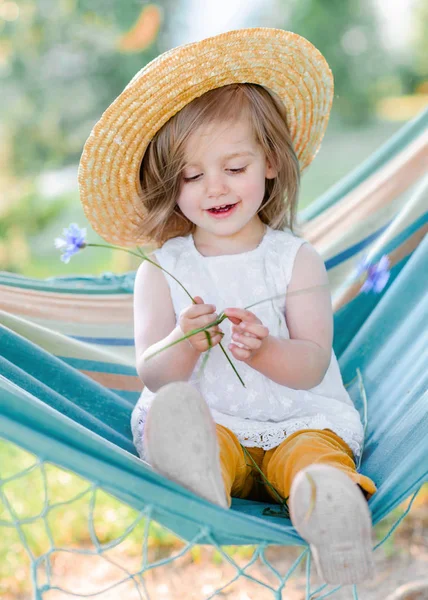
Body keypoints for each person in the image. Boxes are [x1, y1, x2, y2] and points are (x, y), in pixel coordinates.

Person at [78, 28, 377, 586]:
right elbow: (153, 373)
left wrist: (265, 351)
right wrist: (183, 344)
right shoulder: (162, 270)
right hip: (213, 424)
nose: (213, 188)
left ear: (269, 162)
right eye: (191, 175)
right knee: (200, 436)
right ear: (171, 182)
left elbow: (312, 362)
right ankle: (200, 484)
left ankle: (328, 505)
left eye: (233, 169)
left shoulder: (295, 260)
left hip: (298, 421)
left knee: (313, 457)